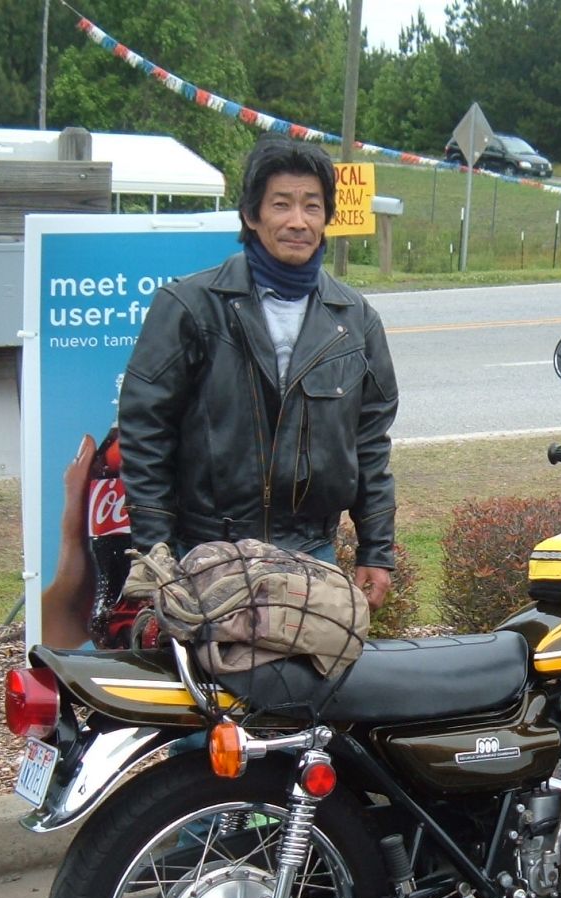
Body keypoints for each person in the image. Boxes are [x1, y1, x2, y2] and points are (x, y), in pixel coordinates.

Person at [117, 134, 399, 612]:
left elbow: (369, 443)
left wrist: (376, 549)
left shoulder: (356, 321)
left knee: (317, 664)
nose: (298, 221)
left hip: (312, 554)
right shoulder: (189, 307)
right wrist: (155, 551)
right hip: (204, 554)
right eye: (281, 204)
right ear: (251, 214)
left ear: (327, 217)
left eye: (312, 206)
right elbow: (146, 432)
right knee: (211, 666)